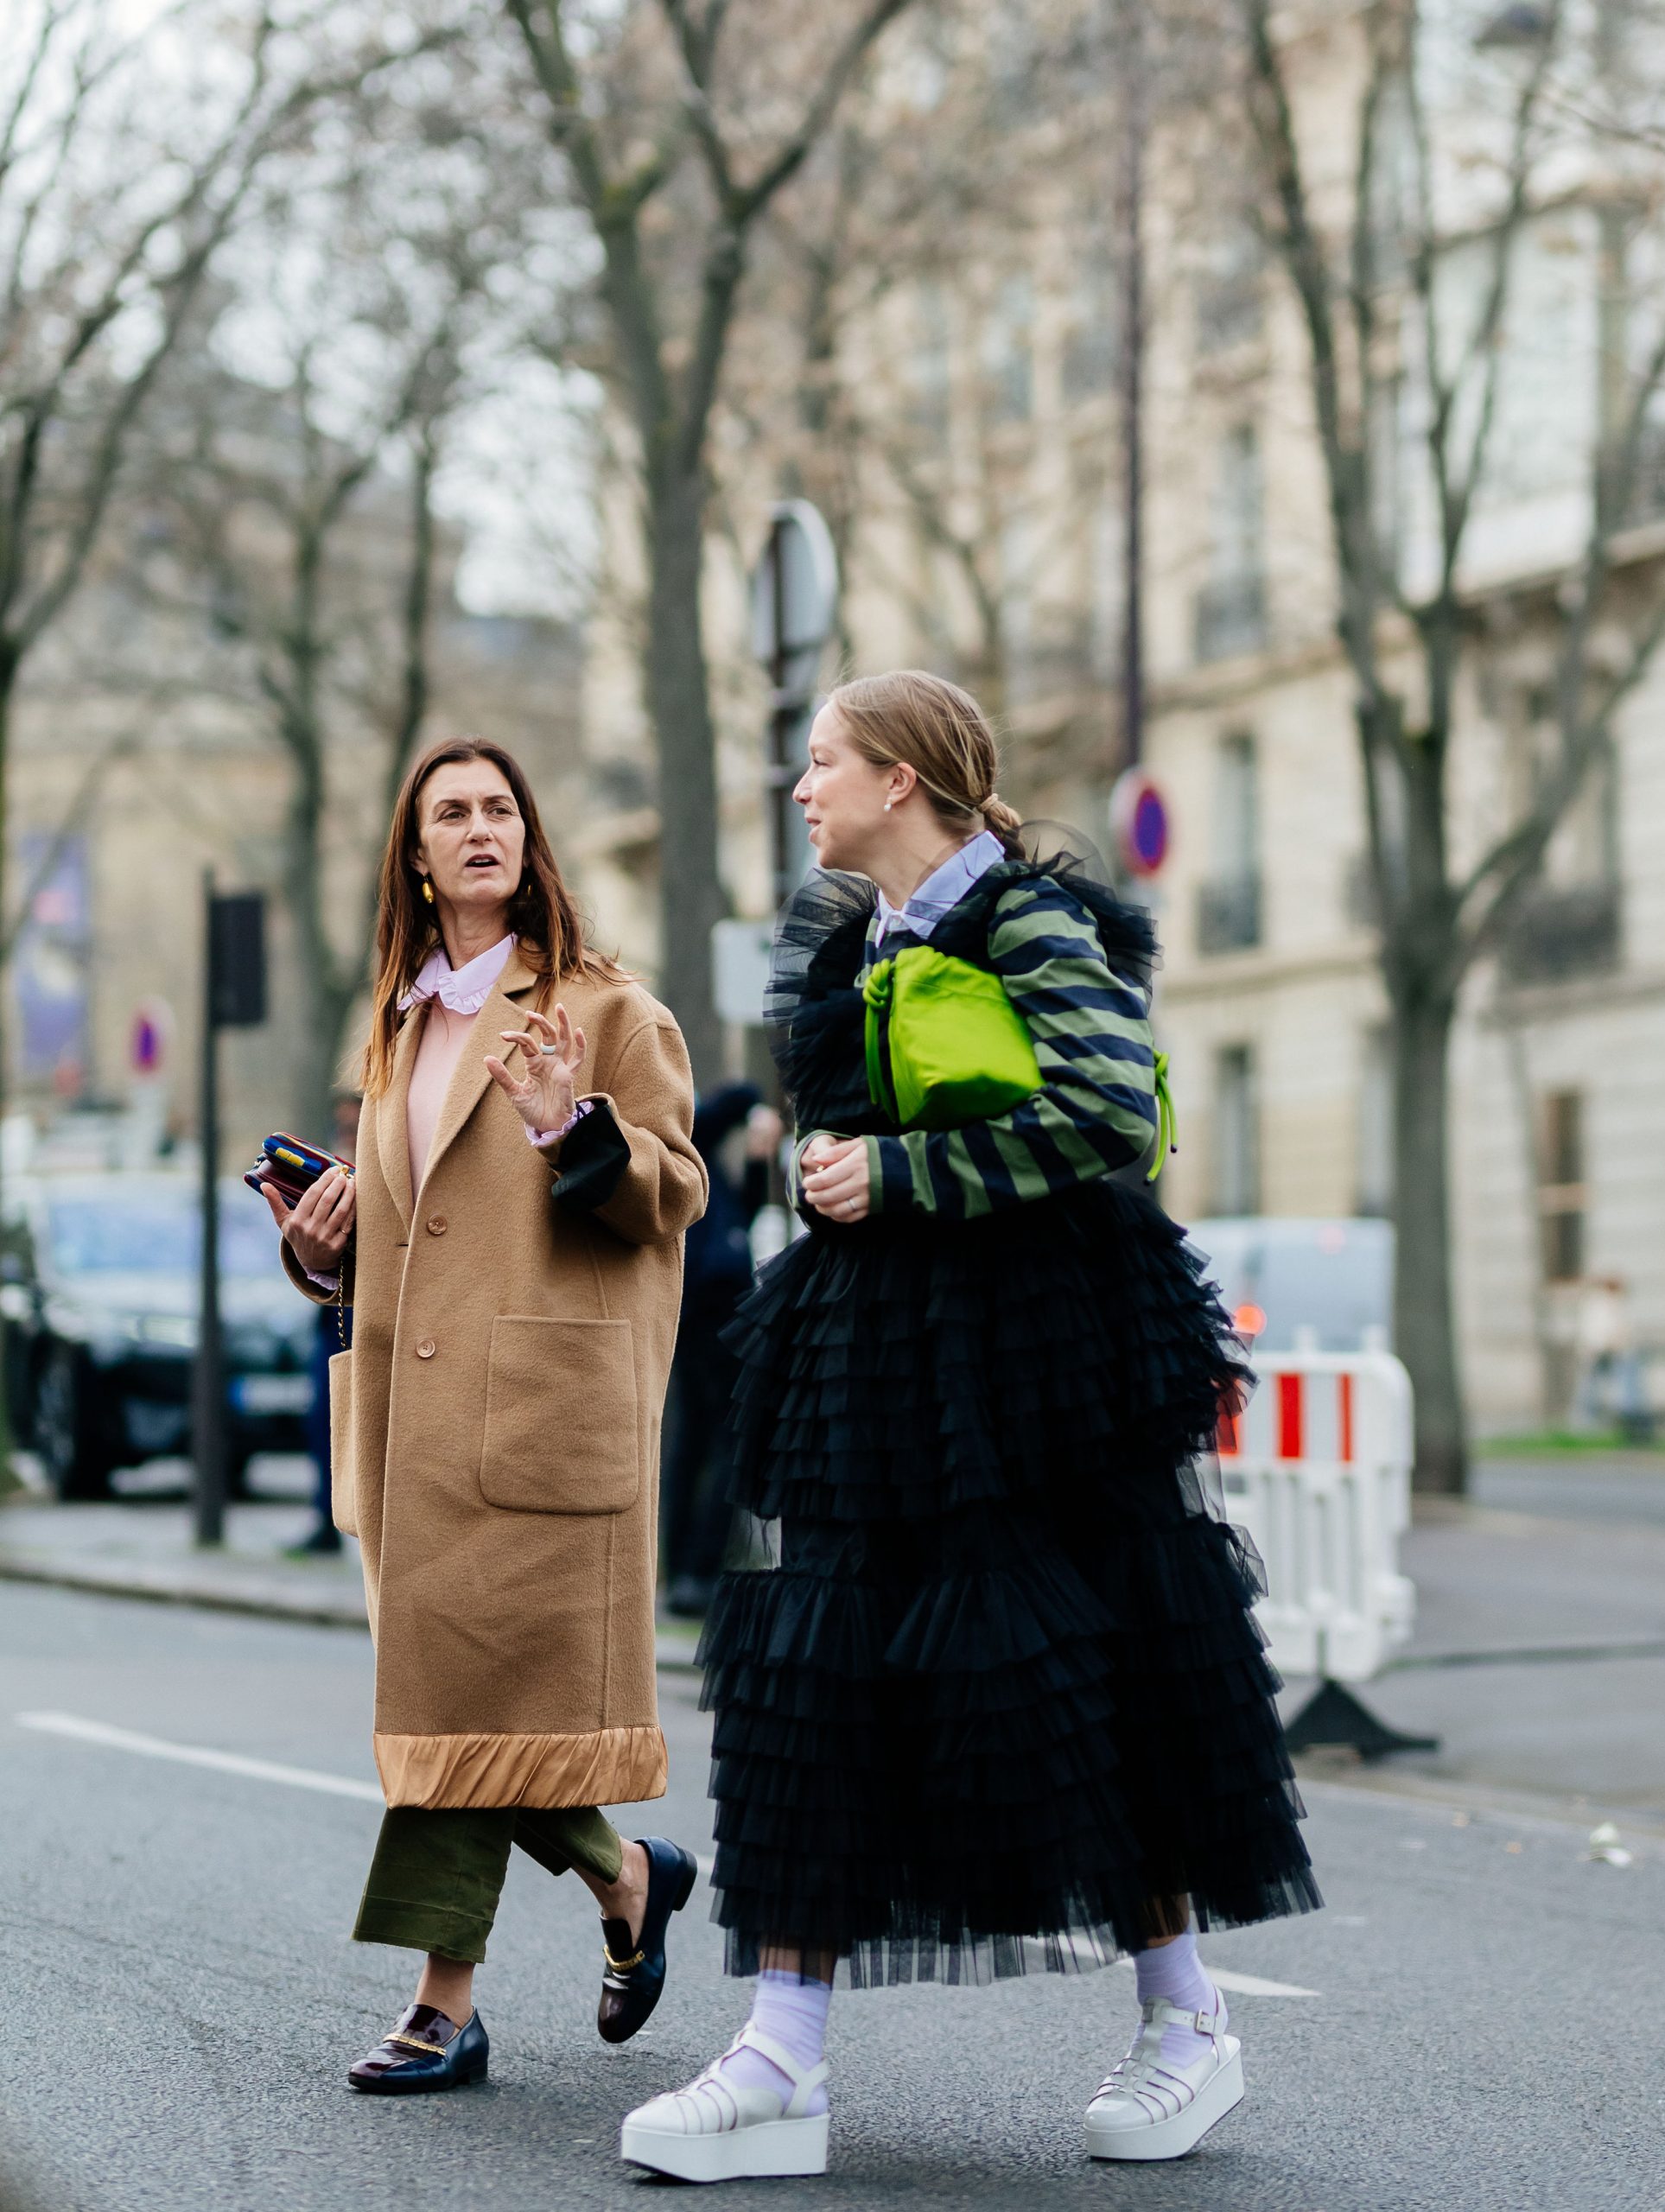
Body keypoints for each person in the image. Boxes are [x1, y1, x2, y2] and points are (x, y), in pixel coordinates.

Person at [620, 672, 1320, 2183]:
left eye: (822, 766)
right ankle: (780, 2057)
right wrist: (832, 1166)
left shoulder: (1026, 918)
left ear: (902, 779)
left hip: (1044, 1356)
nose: (801, 791)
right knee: (823, 1677)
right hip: (881, 1352)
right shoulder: (855, 936)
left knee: (1095, 1666)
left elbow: (1100, 1112)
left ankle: (1187, 2020)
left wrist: (902, 1179)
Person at [264, 735, 709, 2094]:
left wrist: (577, 1126)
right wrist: (321, 1247)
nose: (477, 829)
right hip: (414, 1422)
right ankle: (629, 1877)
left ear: (528, 839)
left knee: (459, 1711)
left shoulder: (603, 1006)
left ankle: (441, 2005)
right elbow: (411, 1226)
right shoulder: (403, 1020)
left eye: (499, 808)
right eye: (449, 812)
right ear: (413, 850)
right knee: (461, 1709)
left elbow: (674, 1190)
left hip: (535, 1423)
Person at [662, 1082, 783, 1618]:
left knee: (716, 1440)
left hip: (728, 1311)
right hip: (704, 1313)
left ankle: (695, 1570)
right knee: (705, 1441)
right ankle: (691, 1571)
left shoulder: (724, 1184)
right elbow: (720, 1107)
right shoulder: (695, 1143)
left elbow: (746, 1213)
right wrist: (757, 1107)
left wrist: (759, 1163)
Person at [286, 1092, 362, 1560]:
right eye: (341, 1125)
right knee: (325, 1419)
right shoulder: (332, 1170)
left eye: (353, 1123)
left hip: (364, 1309)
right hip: (331, 1310)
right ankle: (325, 1517)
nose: (346, 1131)